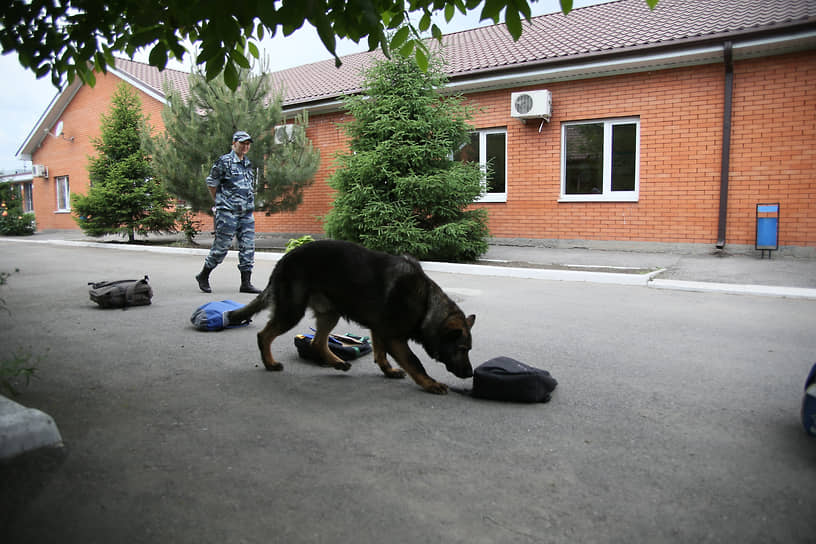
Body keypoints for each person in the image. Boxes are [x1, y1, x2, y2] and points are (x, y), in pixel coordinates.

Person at [195, 130, 261, 294]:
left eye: (248, 144)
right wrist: (219, 201)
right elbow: (211, 182)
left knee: (248, 247)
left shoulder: (247, 163)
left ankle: (245, 283)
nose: (245, 146)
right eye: (242, 143)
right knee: (221, 247)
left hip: (246, 213)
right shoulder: (224, 162)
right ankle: (203, 275)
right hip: (228, 212)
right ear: (234, 143)